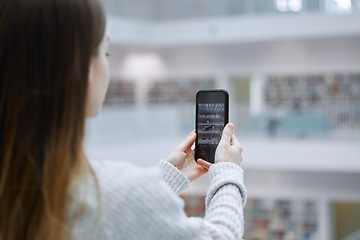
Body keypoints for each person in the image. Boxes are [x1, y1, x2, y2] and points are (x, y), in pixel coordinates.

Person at [0, 0, 247, 239]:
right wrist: (228, 173)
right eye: (104, 51)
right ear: (84, 69)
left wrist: (164, 179)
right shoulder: (109, 193)